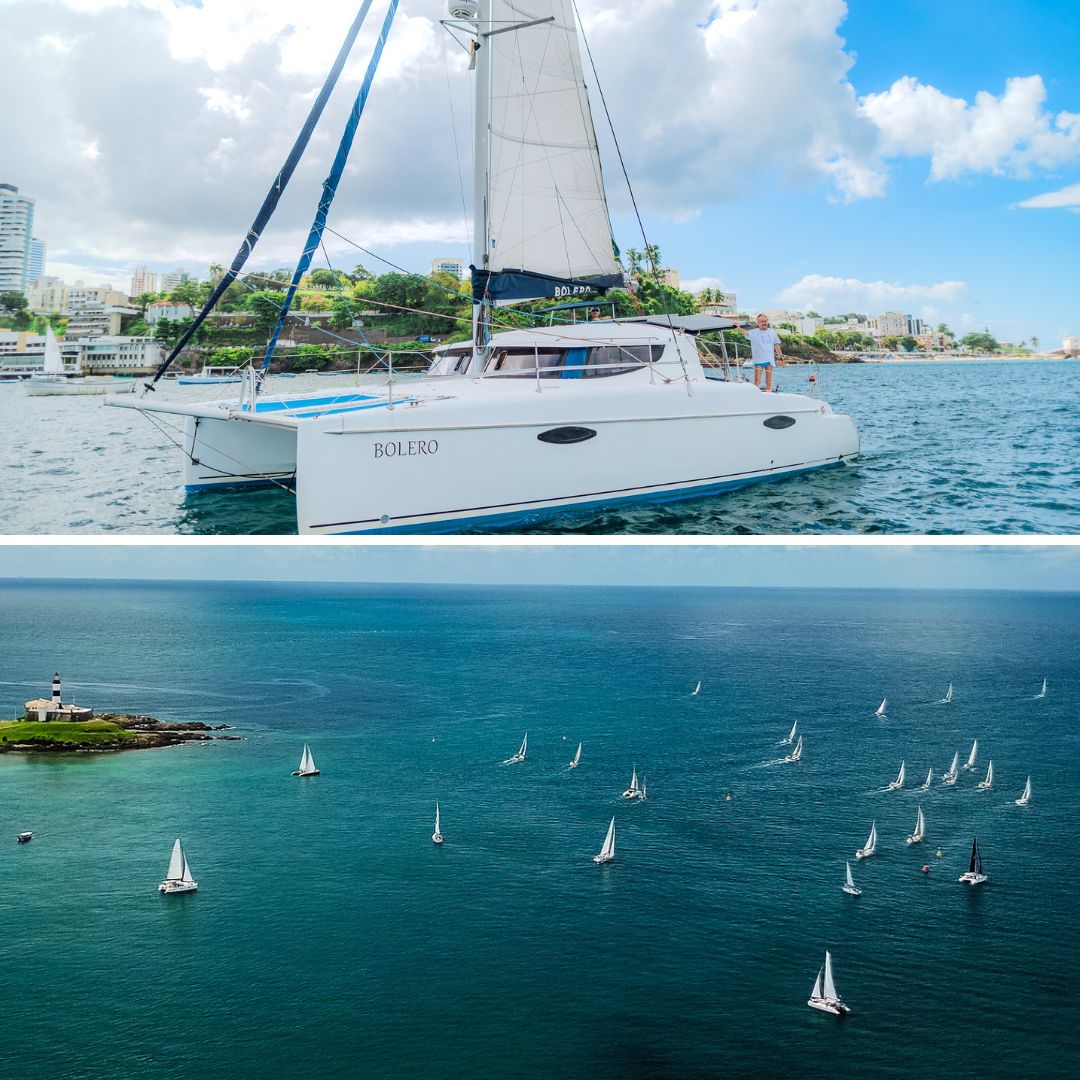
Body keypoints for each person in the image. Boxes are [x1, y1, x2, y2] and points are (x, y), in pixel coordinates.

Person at [745, 313, 784, 391]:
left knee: (768, 381)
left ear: (767, 321)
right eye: (762, 321)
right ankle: (754, 395)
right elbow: (744, 332)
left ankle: (769, 394)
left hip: (769, 360)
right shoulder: (753, 332)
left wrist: (781, 359)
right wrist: (738, 327)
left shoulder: (772, 333)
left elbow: (776, 346)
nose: (764, 323)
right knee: (757, 381)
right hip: (758, 360)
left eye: (765, 321)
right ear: (758, 323)